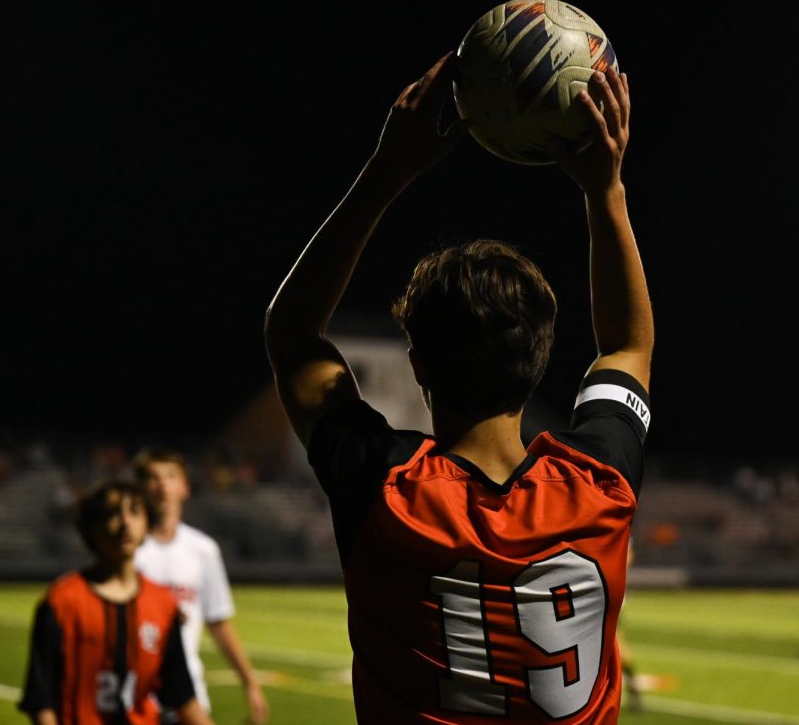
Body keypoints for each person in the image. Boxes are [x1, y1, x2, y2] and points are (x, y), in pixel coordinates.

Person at [265, 52, 652, 723]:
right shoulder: (598, 482)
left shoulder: (385, 488)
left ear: (416, 365)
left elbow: (293, 330)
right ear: (542, 360)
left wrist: (387, 171)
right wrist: (604, 189)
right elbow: (627, 344)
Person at [18, 480, 212, 725]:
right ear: (92, 528)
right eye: (112, 514)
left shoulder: (162, 604)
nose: (125, 523)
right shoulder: (62, 602)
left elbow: (183, 696)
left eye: (134, 512)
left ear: (146, 524)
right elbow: (41, 701)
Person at [132, 448, 269, 723]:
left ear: (185, 487)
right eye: (153, 477)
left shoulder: (202, 549)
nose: (162, 485)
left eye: (170, 476)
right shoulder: (128, 549)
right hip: (135, 693)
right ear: (141, 488)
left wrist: (250, 683)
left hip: (189, 691)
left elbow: (218, 621)